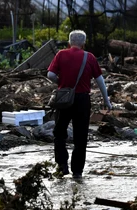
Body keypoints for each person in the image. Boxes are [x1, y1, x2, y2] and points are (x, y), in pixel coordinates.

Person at [47, 30, 112, 179]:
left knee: (59, 133)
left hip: (64, 99)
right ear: (83, 43)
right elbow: (100, 81)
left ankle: (62, 166)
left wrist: (62, 84)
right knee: (80, 137)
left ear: (69, 42)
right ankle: (77, 172)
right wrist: (106, 100)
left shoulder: (61, 54)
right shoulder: (89, 57)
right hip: (83, 101)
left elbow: (50, 75)